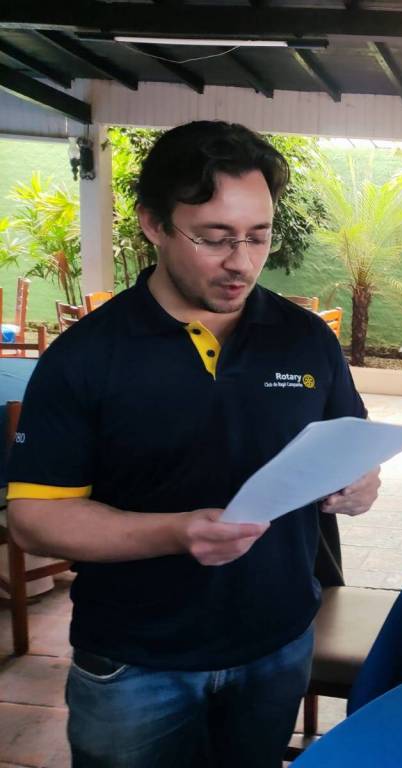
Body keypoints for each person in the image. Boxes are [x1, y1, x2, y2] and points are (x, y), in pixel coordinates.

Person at [6, 121, 380, 768]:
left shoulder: (304, 338)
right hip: (137, 662)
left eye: (258, 236)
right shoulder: (87, 356)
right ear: (153, 225)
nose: (241, 261)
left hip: (277, 644)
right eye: (214, 237)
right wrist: (177, 532)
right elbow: (34, 519)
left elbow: (351, 448)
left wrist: (357, 485)